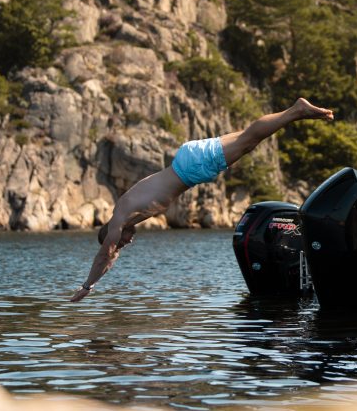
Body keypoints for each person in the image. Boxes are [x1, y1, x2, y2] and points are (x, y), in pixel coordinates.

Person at [70, 98, 334, 302]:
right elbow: (110, 257)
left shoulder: (120, 216)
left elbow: (106, 253)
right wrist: (96, 280)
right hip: (189, 161)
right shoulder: (126, 215)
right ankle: (294, 113)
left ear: (111, 234)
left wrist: (86, 286)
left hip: (191, 167)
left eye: (121, 242)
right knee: (248, 139)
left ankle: (296, 111)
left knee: (248, 139)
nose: (127, 243)